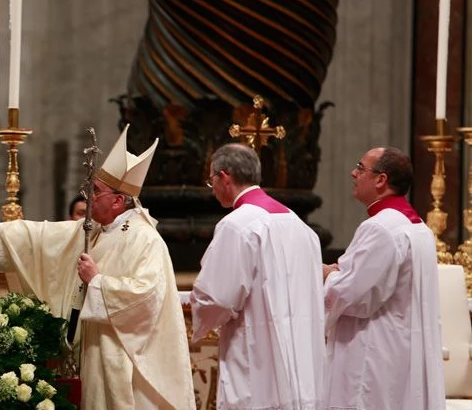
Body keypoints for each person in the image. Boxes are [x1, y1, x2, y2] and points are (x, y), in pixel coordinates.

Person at [0, 125, 195, 409]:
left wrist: (97, 282)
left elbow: (146, 298)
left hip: (125, 358)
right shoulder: (99, 229)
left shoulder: (146, 239)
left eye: (95, 191)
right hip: (98, 350)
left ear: (118, 200)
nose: (88, 196)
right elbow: (44, 237)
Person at [190, 143, 325, 409]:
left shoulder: (236, 225)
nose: (213, 188)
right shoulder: (301, 226)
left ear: (224, 177)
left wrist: (201, 312)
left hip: (256, 356)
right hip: (302, 358)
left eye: (211, 181)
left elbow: (217, 298)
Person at [322, 147, 444, 409]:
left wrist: (327, 276)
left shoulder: (380, 228)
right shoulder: (417, 226)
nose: (353, 173)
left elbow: (354, 296)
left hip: (372, 352)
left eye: (361, 168)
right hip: (400, 346)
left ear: (381, 180)